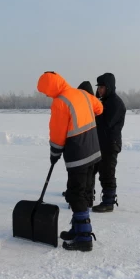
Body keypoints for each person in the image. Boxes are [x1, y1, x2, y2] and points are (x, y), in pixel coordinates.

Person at [37, 72, 103, 251]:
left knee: (76, 194)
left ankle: (84, 238)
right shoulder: (82, 94)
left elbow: (57, 134)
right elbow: (99, 109)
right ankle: (77, 229)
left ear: (51, 87)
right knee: (84, 191)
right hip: (94, 151)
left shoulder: (60, 102)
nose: (46, 95)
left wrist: (54, 152)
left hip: (79, 155)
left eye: (45, 91)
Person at [92, 72, 126, 213]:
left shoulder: (115, 103)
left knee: (107, 172)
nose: (99, 89)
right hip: (101, 142)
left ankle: (108, 202)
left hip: (110, 144)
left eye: (102, 87)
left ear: (109, 87)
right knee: (91, 170)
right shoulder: (104, 101)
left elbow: (106, 123)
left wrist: (94, 113)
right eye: (98, 87)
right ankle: (86, 196)